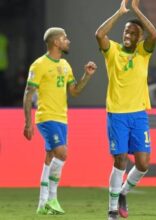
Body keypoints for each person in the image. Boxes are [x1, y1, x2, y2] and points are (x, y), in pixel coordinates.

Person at [95, 0, 156, 219]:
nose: (128, 35)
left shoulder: (143, 52)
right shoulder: (112, 51)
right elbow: (99, 34)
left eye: (133, 32)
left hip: (139, 114)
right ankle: (112, 209)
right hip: (117, 113)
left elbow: (155, 35)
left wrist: (138, 11)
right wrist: (120, 13)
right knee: (120, 159)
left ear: (140, 38)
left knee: (143, 163)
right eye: (126, 31)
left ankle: (123, 193)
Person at [23, 27, 96, 215]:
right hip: (46, 117)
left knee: (50, 158)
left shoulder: (65, 64)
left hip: (62, 118)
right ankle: (52, 198)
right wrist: (28, 122)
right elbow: (28, 94)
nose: (68, 41)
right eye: (65, 38)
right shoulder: (38, 65)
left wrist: (86, 76)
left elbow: (75, 91)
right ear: (56, 42)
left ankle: (42, 203)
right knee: (62, 154)